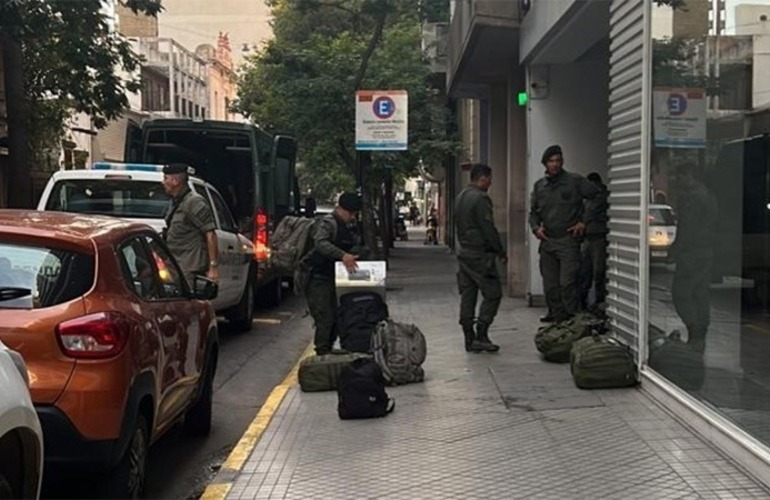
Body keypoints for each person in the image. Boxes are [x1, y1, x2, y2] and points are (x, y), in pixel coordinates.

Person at [529, 145, 600, 323]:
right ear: (545, 164)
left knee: (567, 283)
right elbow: (533, 213)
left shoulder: (574, 181)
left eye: (558, 161)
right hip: (548, 240)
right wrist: (536, 227)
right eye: (551, 161)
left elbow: (597, 196)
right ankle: (556, 317)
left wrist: (584, 221)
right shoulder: (540, 186)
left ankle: (572, 320)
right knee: (550, 285)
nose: (555, 164)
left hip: (568, 240)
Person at [300, 192, 363, 355]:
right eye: (350, 213)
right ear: (341, 209)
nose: (352, 217)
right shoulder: (328, 223)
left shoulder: (347, 227)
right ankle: (321, 354)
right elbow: (320, 243)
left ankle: (327, 350)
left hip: (333, 278)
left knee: (335, 318)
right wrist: (342, 255)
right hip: (317, 278)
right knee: (325, 318)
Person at [454, 163, 507, 353]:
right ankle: (482, 334)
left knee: (468, 295)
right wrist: (500, 251)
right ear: (482, 178)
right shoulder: (481, 198)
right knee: (493, 293)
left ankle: (469, 337)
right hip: (480, 255)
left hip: (464, 253)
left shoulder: (460, 197)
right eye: (489, 179)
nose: (491, 183)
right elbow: (488, 228)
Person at [671, 162, 717, 357]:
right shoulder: (708, 196)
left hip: (692, 253)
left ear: (689, 176)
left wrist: (676, 250)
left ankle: (694, 329)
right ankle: (699, 336)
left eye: (681, 176)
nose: (679, 180)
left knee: (681, 293)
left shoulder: (695, 198)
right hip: (704, 252)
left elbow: (688, 229)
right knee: (699, 293)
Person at [161, 163, 219, 288]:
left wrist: (213, 267)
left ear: (175, 181)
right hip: (174, 264)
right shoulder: (176, 201)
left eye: (166, 178)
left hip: (188, 267)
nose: (163, 182)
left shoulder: (194, 202)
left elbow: (210, 234)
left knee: (187, 299)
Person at [579, 172, 609, 311]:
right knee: (586, 270)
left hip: (598, 237)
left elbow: (590, 211)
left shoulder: (601, 196)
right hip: (589, 237)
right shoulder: (589, 198)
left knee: (598, 271)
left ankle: (599, 300)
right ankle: (585, 301)